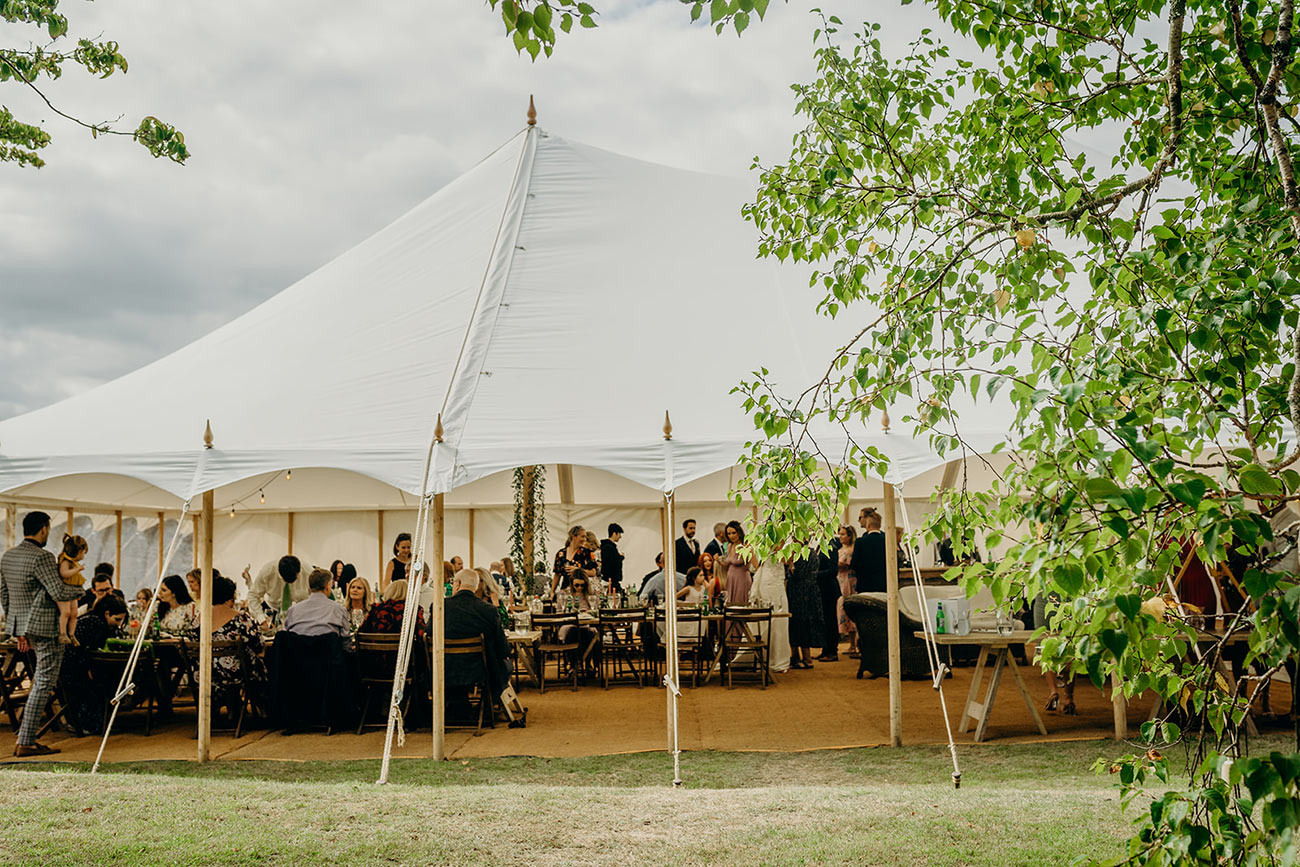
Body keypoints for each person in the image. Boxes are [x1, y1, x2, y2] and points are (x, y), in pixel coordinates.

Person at [1, 511, 82, 755]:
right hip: (46, 628)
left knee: (40, 682)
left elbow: (4, 595)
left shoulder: (8, 556)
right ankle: (26, 741)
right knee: (44, 682)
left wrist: (18, 630)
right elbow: (58, 591)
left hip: (22, 626)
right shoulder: (43, 557)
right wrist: (82, 592)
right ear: (44, 529)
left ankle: (25, 736)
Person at [188, 574, 268, 702]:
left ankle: (230, 708)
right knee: (263, 662)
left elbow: (192, 642)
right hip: (237, 675)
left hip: (205, 675)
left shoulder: (197, 620)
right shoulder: (241, 618)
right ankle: (262, 707)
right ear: (231, 595)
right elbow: (258, 644)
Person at [444, 568, 512, 712]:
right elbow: (503, 649)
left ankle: (457, 706)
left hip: (445, 668)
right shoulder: (488, 610)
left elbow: (429, 634)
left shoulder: (440, 607)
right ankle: (487, 707)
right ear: (475, 586)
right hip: (480, 670)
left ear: (457, 584)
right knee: (505, 665)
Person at [62, 594, 130, 736]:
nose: (118, 623)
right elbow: (87, 651)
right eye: (117, 619)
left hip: (71, 667)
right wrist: (88, 669)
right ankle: (91, 722)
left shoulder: (90, 619)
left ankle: (94, 721)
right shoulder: (94, 624)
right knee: (107, 681)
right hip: (74, 669)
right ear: (107, 614)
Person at [786, 546, 828, 670]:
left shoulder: (803, 553)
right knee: (798, 622)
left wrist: (790, 564)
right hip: (807, 591)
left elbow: (798, 573)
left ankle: (806, 657)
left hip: (800, 592)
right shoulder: (812, 552)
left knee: (800, 622)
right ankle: (796, 656)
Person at [282, 568, 349, 638]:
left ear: (310, 586)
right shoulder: (339, 610)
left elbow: (286, 635)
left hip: (299, 648)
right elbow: (346, 639)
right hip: (326, 647)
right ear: (327, 586)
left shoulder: (293, 610)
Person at [244, 555, 311, 624]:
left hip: (299, 612)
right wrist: (261, 619)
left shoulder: (308, 573)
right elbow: (253, 595)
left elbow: (318, 597)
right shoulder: (268, 572)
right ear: (280, 574)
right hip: (271, 610)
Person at [556, 574, 600, 670]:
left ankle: (587, 664)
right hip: (569, 624)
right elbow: (559, 611)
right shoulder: (564, 594)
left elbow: (597, 609)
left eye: (582, 585)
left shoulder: (590, 595)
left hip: (587, 624)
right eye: (577, 585)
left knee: (588, 633)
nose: (579, 588)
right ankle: (574, 664)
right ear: (571, 584)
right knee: (573, 631)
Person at [359, 579, 427, 640]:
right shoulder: (414, 609)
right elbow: (421, 634)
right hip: (405, 653)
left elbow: (361, 632)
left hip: (376, 652)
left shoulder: (376, 609)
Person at [54, 533, 89, 644]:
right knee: (66, 612)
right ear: (79, 551)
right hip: (64, 590)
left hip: (72, 590)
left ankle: (72, 634)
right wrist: (76, 570)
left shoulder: (73, 562)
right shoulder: (65, 561)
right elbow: (64, 573)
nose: (83, 555)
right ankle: (62, 633)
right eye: (83, 553)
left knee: (74, 613)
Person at [814, 538, 842, 662]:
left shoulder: (831, 546)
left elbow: (832, 571)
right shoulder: (820, 545)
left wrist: (814, 574)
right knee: (824, 620)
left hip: (828, 589)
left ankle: (832, 651)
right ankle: (826, 650)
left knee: (830, 620)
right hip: (822, 588)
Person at [552, 525, 597, 595]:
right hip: (565, 591)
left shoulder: (587, 553)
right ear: (573, 536)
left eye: (585, 537)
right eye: (582, 536)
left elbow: (593, 573)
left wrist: (578, 570)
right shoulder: (561, 553)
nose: (585, 539)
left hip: (582, 591)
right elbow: (557, 574)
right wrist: (552, 592)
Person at [719, 521, 756, 605]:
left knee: (740, 606)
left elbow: (755, 564)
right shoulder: (729, 546)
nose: (731, 536)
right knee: (730, 607)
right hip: (730, 579)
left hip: (742, 579)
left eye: (733, 533)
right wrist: (718, 561)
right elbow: (727, 563)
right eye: (729, 533)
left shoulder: (745, 546)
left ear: (739, 532)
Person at [835, 525, 858, 656]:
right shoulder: (841, 549)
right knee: (842, 609)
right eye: (840, 534)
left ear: (850, 536)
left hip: (849, 581)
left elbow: (846, 564)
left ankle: (853, 644)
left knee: (850, 610)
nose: (841, 537)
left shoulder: (851, 549)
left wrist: (835, 564)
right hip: (840, 580)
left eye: (843, 534)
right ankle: (850, 644)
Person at [852, 508, 887, 594]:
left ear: (868, 526)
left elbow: (855, 564)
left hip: (865, 584)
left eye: (860, 518)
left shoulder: (860, 541)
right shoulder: (887, 540)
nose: (859, 520)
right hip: (884, 584)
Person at [600, 523, 625, 591]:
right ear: (614, 533)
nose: (620, 537)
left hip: (611, 581)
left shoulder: (609, 547)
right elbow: (610, 564)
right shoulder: (608, 547)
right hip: (611, 582)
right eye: (619, 534)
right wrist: (620, 557)